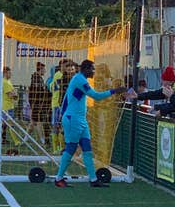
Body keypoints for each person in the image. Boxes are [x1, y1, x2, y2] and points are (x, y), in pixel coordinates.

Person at [53, 59, 127, 188]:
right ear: (86, 69)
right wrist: (114, 91)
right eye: (92, 69)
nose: (94, 72)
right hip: (73, 119)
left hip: (79, 120)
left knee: (87, 150)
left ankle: (93, 180)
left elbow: (66, 99)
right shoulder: (79, 80)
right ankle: (58, 178)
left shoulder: (80, 79)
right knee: (71, 148)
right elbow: (96, 96)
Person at [28, 61, 51, 145]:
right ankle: (42, 140)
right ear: (40, 69)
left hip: (38, 103)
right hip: (36, 103)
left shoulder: (39, 78)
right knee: (38, 122)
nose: (45, 71)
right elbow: (36, 92)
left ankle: (25, 138)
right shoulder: (36, 79)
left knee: (33, 122)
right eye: (44, 69)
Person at [2, 66, 20, 153]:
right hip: (7, 106)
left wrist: (14, 94)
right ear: (5, 73)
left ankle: (2, 139)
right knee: (10, 124)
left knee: (4, 124)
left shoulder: (8, 81)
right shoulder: (5, 82)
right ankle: (16, 141)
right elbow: (11, 95)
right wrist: (15, 95)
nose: (11, 74)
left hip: (8, 106)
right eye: (9, 73)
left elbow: (13, 93)